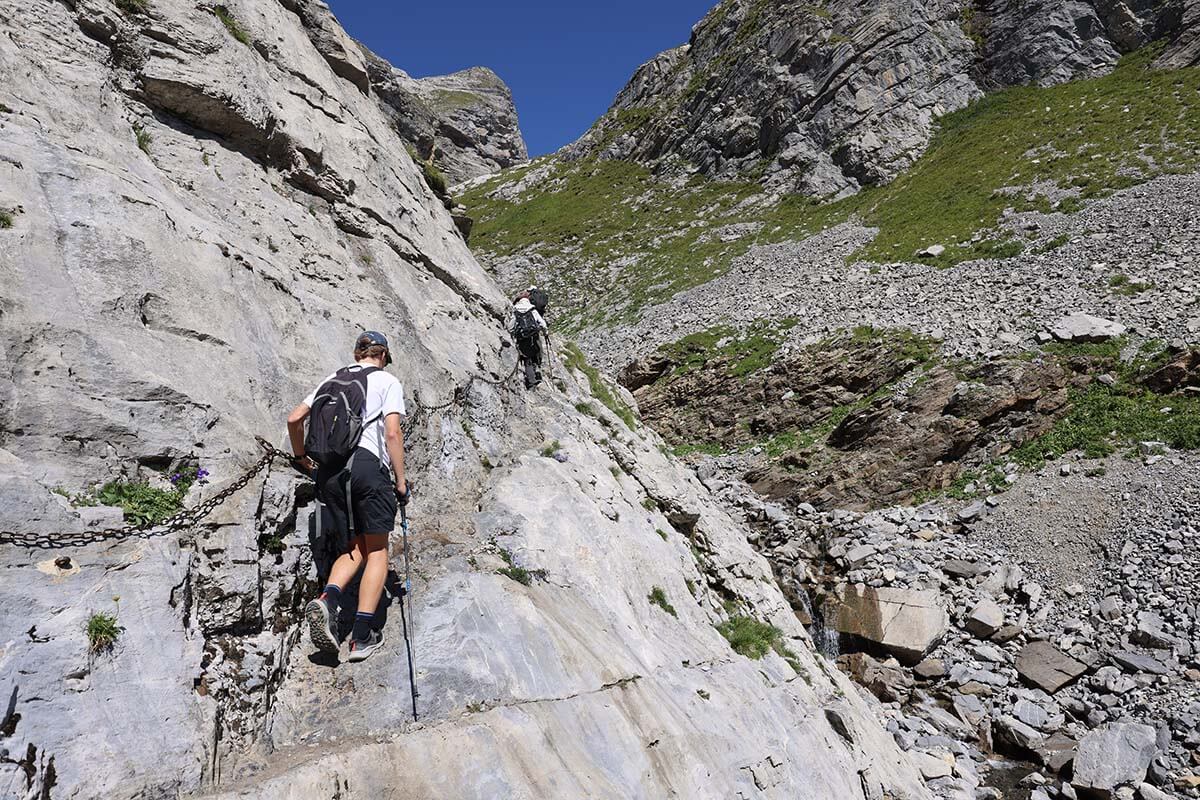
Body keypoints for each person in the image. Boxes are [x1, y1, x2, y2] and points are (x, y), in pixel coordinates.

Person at [287, 331, 408, 662]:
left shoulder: (333, 378)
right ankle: (362, 636)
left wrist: (301, 457)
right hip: (367, 468)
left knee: (354, 546)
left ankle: (328, 599)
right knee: (378, 549)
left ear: (358, 354)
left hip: (330, 472)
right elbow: (393, 433)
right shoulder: (387, 382)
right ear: (383, 355)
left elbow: (295, 418)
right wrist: (400, 480)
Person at [512, 290, 548, 389]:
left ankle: (531, 381)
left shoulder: (515, 310)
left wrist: (513, 335)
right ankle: (535, 374)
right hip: (533, 336)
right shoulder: (532, 309)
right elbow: (543, 324)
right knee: (535, 353)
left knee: (527, 358)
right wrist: (546, 333)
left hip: (522, 338)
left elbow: (511, 326)